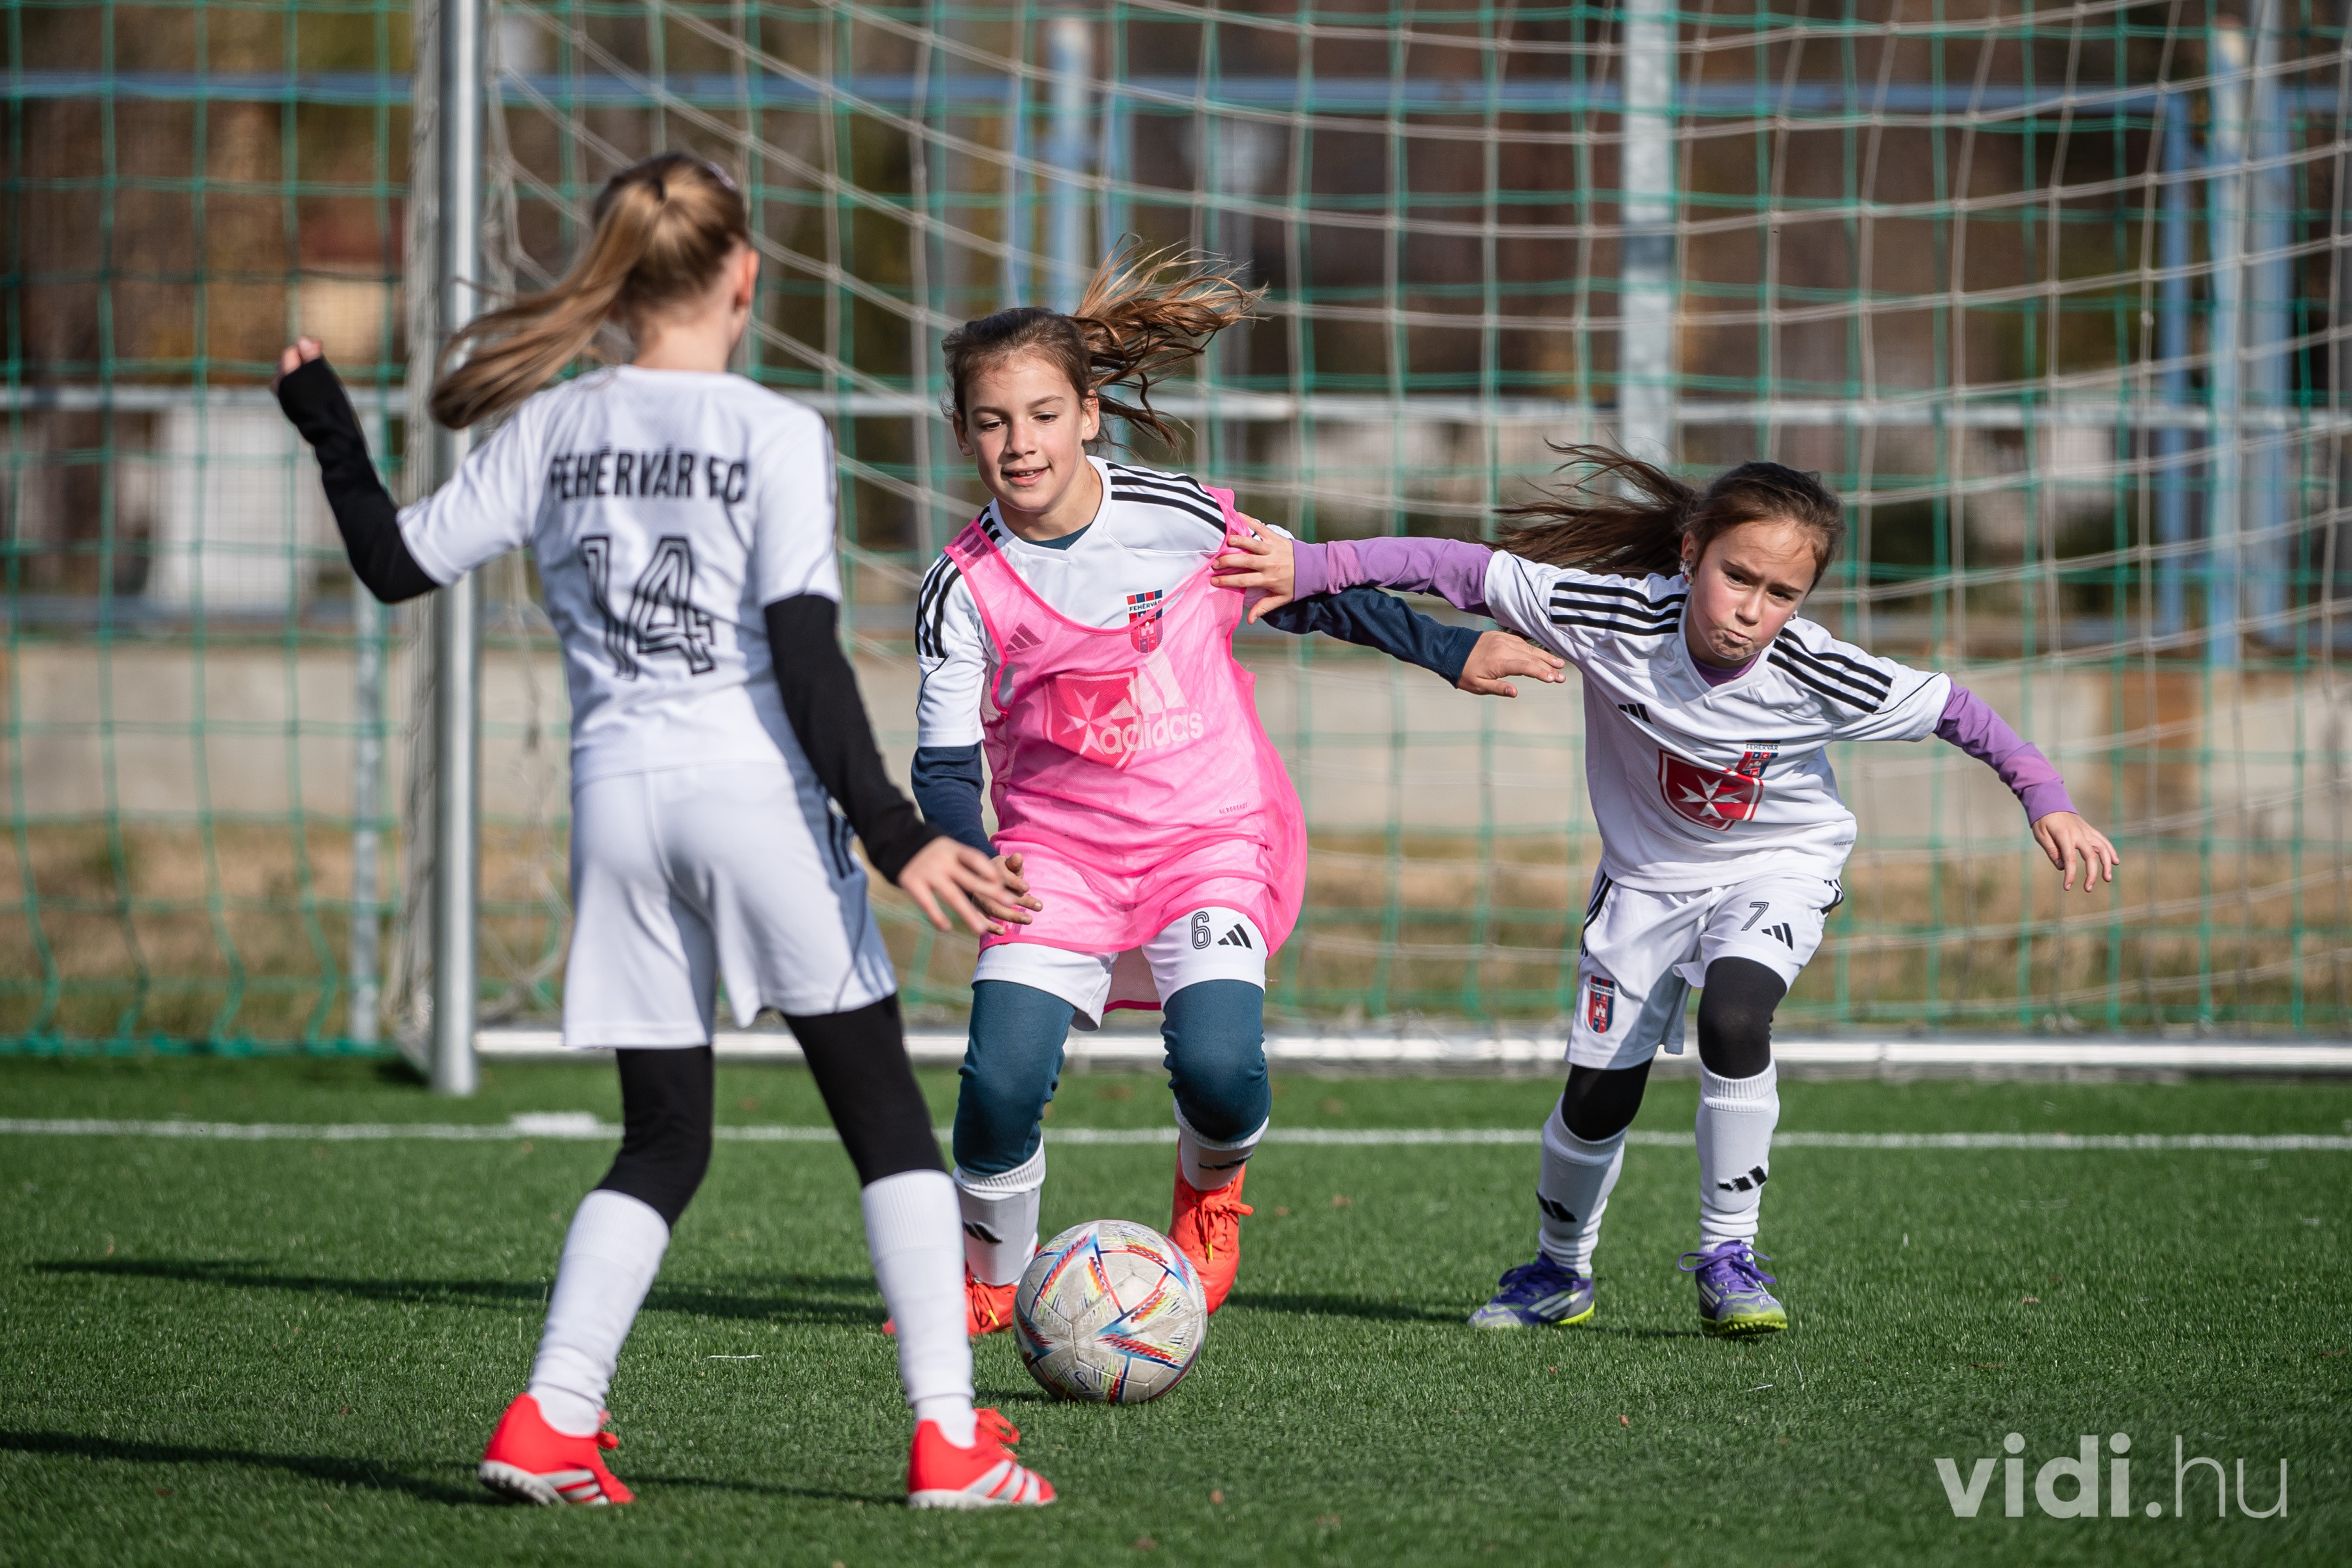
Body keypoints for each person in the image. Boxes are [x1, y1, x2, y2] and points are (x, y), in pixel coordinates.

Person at [272, 152, 1053, 1507]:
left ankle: (552, 1418)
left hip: (617, 806)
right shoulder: (772, 430)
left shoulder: (554, 427)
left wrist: (331, 430)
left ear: (620, 279)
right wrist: (894, 832)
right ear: (745, 275)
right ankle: (949, 1439)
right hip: (752, 800)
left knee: (664, 1138)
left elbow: (393, 564)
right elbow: (803, 655)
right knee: (886, 1125)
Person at [1213, 445, 2119, 1335]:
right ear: (1691, 554)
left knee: (1735, 1015)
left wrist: (2048, 800)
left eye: (1782, 594)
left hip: (1777, 866)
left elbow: (1961, 711)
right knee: (1598, 1097)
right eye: (1738, 577)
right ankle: (1558, 1272)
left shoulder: (1817, 670)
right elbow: (1456, 568)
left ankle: (1730, 1257)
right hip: (1645, 885)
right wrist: (1314, 564)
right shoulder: (1612, 616)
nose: (1752, 611)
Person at [913, 249, 1563, 1331]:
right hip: (1056, 856)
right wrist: (969, 854)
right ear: (963, 433)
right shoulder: (962, 586)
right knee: (999, 1085)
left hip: (1205, 835)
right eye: (992, 422)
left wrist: (1453, 651)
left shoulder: (1176, 518)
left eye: (1043, 415)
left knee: (1220, 1069)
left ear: (1088, 416)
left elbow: (1309, 591)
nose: (1020, 443)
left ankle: (1209, 1194)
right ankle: (989, 1274)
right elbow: (943, 767)